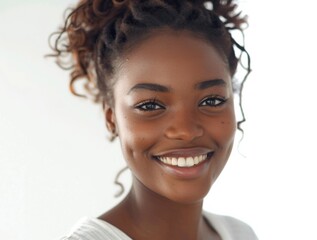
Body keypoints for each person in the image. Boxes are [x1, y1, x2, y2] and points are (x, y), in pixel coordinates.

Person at [50, 0, 257, 239]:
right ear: (112, 118)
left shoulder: (240, 234)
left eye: (211, 101)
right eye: (150, 105)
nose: (186, 130)